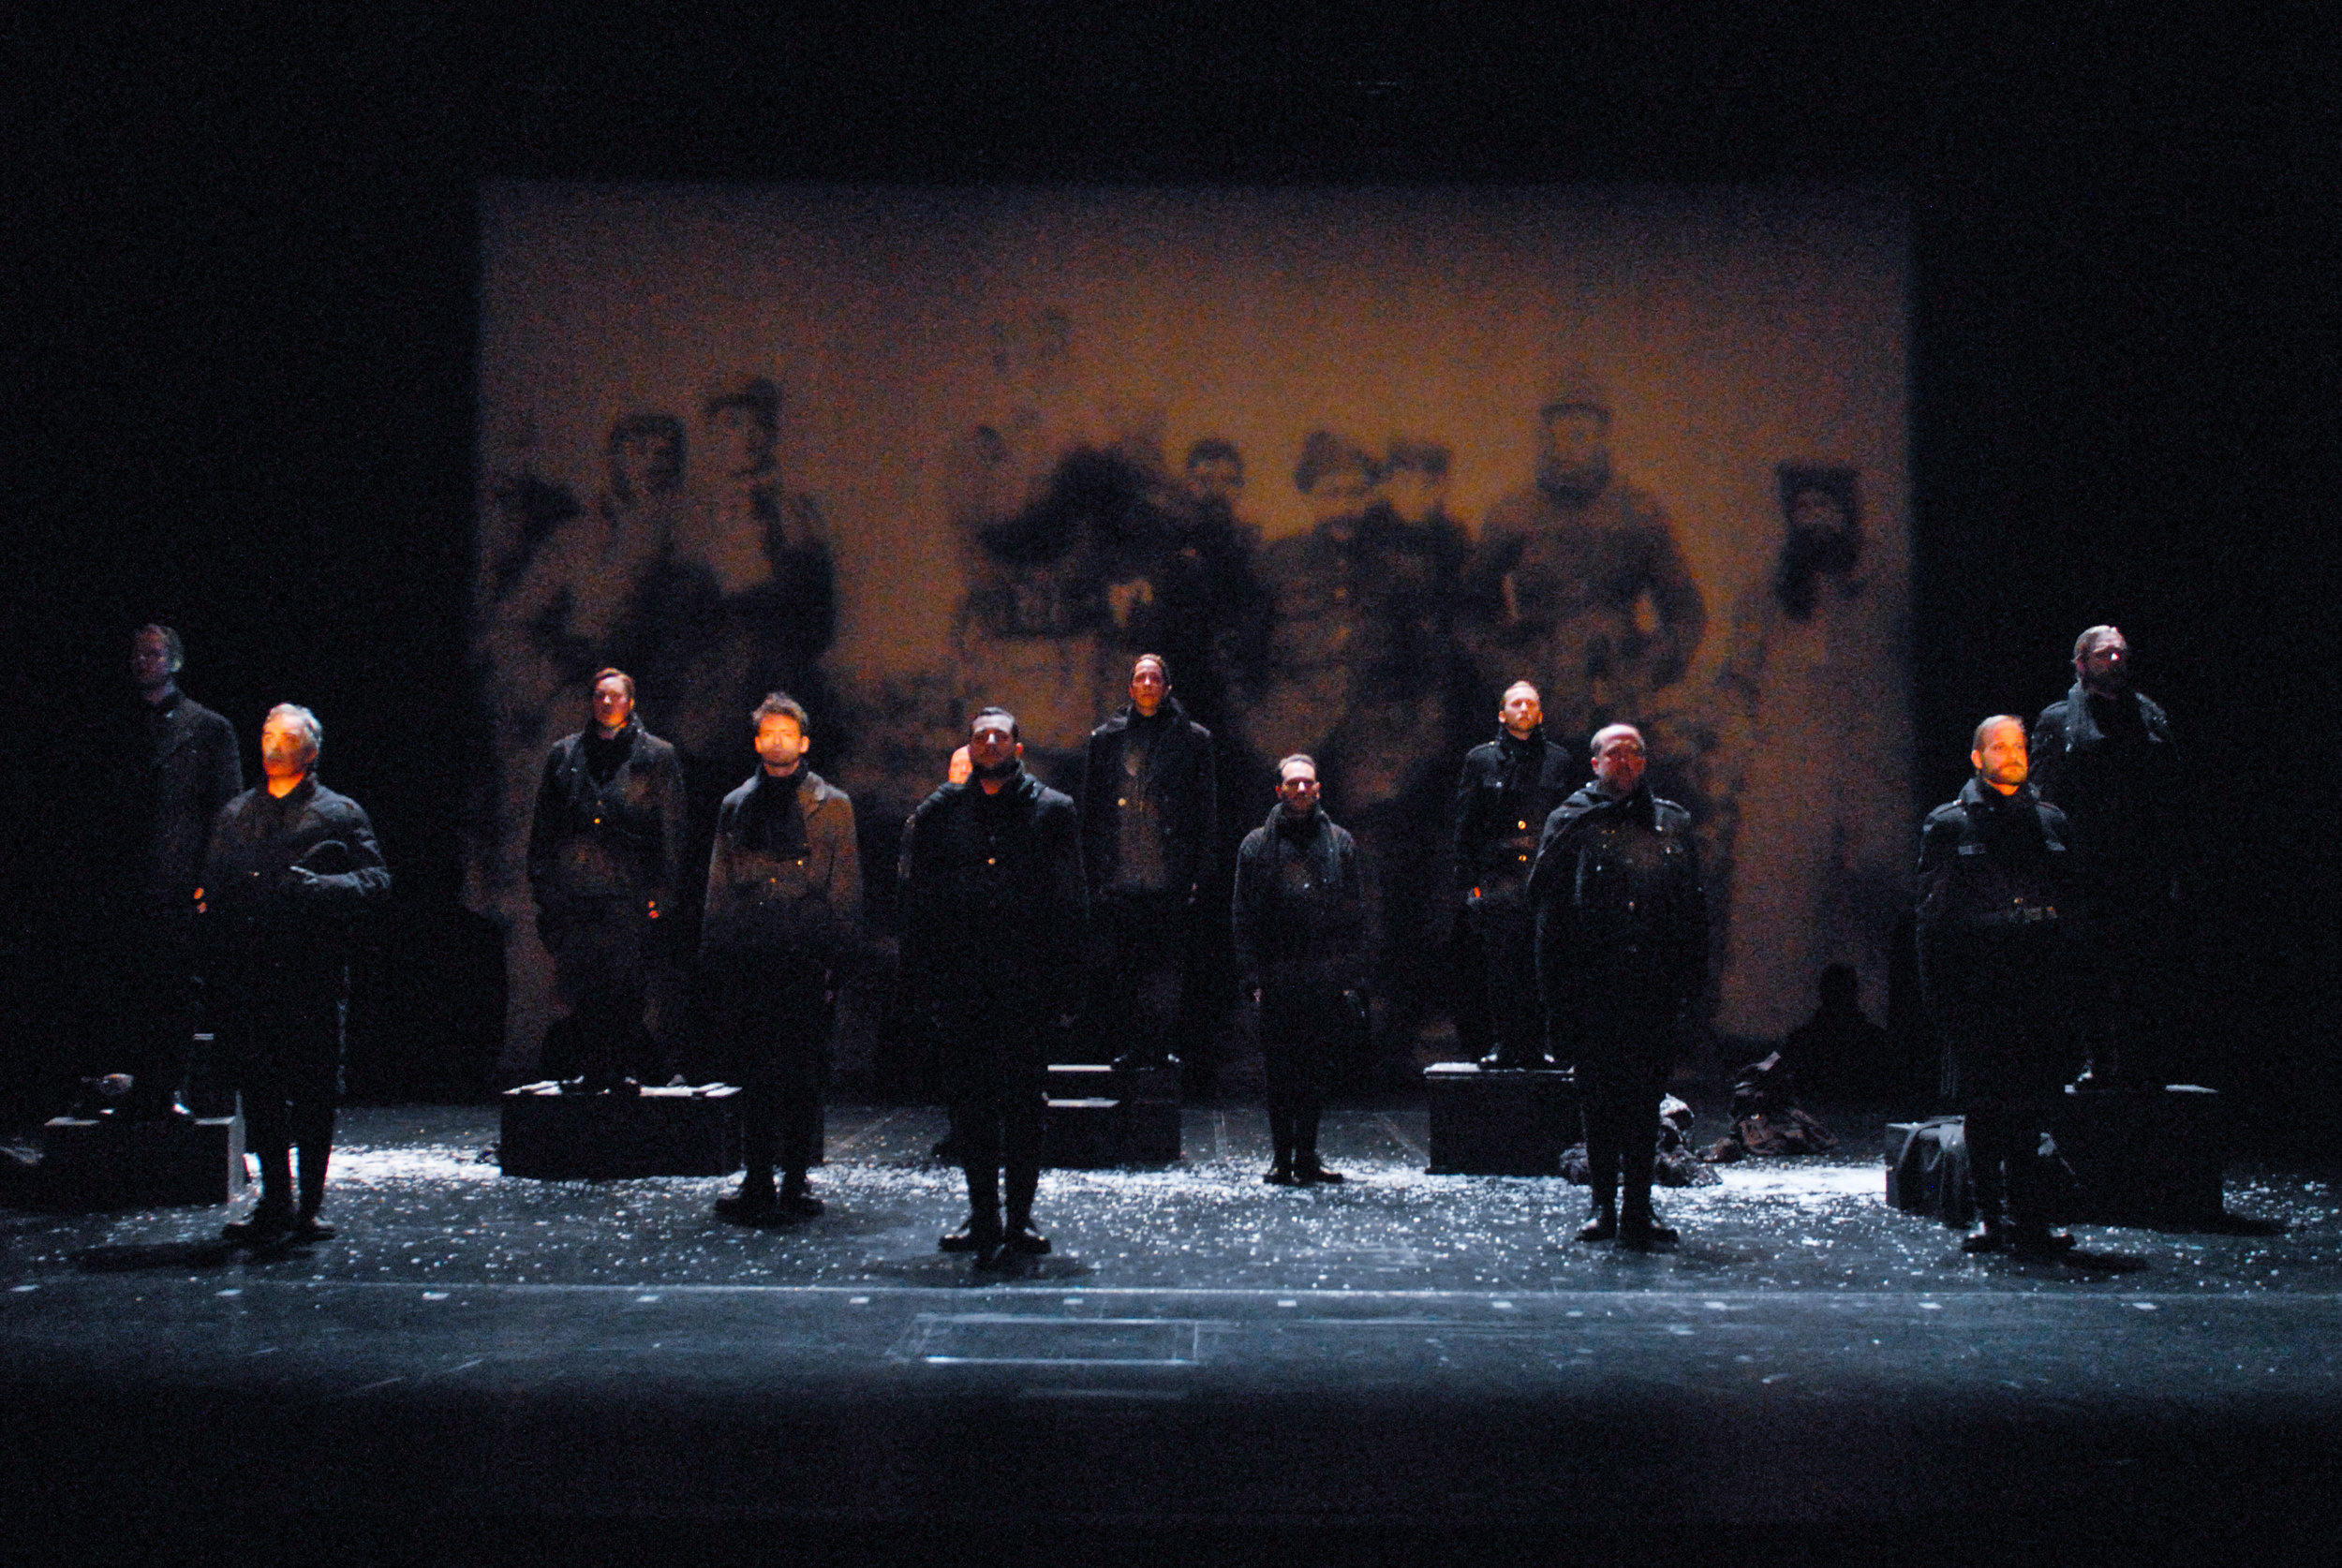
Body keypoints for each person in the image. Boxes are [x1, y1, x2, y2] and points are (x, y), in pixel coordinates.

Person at [901, 708, 1088, 1268]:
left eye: (999, 737)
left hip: (1026, 984)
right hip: (963, 982)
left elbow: (1070, 903)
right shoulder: (943, 813)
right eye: (980, 736)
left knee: (1024, 1106)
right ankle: (983, 1216)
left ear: (1018, 748)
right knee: (972, 1107)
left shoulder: (1051, 811)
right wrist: (922, 978)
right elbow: (920, 903)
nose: (988, 744)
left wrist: (1067, 984)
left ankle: (1019, 1217)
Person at [199, 704, 389, 1244]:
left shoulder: (339, 813)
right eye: (267, 735)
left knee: (312, 1090)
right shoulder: (237, 814)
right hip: (252, 974)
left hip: (313, 972)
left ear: (311, 750)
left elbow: (377, 881)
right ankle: (274, 1201)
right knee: (260, 1089)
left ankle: (308, 1205)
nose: (274, 745)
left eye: (286, 737)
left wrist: (321, 891)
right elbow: (212, 884)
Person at [1529, 723, 1708, 1249]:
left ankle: (1639, 1208)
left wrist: (1689, 986)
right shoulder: (1571, 822)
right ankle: (1603, 1205)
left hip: (1652, 987)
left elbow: (1692, 912)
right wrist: (1556, 1000)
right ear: (1595, 763)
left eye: (1635, 753)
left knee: (1644, 1100)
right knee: (1600, 1102)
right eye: (1615, 753)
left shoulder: (1671, 822)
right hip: (1593, 989)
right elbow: (1549, 917)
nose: (1625, 762)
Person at [1465, 368, 1705, 744]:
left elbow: (1686, 614)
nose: (1567, 447)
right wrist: (1512, 674)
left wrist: (1644, 672)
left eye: (1579, 434)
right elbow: (1470, 612)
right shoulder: (1514, 515)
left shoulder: (1638, 514)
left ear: (1601, 435)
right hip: (1537, 699)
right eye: (1555, 435)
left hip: (1619, 700)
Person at [1915, 716, 2079, 1258]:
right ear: (1977, 757)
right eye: (2000, 746)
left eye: (2019, 745)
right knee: (1986, 1111)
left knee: (2033, 1110)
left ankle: (2032, 1219)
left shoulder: (2052, 822)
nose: (2012, 754)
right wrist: (1943, 1004)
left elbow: (2074, 912)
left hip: (2041, 991)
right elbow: (1932, 925)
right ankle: (1990, 1217)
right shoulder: (1950, 826)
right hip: (1978, 995)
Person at [702, 693, 861, 1222]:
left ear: (804, 742)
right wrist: (717, 950)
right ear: (756, 742)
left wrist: (839, 956)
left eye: (786, 734)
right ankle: (757, 1177)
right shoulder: (736, 804)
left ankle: (796, 1178)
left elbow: (845, 886)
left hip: (805, 952)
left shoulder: (831, 805)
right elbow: (719, 885)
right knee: (755, 1071)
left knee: (801, 1071)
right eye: (768, 734)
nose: (777, 741)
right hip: (752, 952)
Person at [88, 625, 244, 1117]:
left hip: (178, 880)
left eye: (153, 653)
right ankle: (137, 1087)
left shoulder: (207, 728)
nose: (143, 661)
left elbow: (226, 811)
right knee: (131, 984)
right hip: (129, 880)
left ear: (173, 661)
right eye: (138, 653)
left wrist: (209, 880)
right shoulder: (118, 724)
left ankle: (167, 1087)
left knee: (175, 988)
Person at [2029, 625, 2185, 1084]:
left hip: (2141, 866)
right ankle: (2093, 1058)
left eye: (2121, 653)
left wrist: (2173, 862)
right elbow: (2045, 795)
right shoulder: (2060, 721)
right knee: (2087, 968)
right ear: (2081, 663)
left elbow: (2172, 794)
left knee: (2142, 967)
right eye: (2104, 655)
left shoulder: (2150, 716)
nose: (2115, 661)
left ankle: (2139, 1061)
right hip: (2084, 866)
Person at [526, 668, 687, 1090]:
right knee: (581, 984)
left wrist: (662, 895)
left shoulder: (656, 756)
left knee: (626, 986)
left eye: (615, 696)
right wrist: (545, 890)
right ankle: (591, 1070)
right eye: (600, 696)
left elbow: (671, 830)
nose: (607, 703)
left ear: (630, 702)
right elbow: (545, 828)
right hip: (577, 894)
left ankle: (621, 1070)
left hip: (628, 894)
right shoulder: (565, 755)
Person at [1233, 754, 1366, 1186]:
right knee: (1279, 1069)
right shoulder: (1256, 844)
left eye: (1308, 783)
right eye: (1294, 784)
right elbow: (1244, 914)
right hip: (1277, 971)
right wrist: (1252, 974)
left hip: (1322, 970)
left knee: (1313, 1067)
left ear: (1319, 788)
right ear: (1280, 790)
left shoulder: (1340, 842)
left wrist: (1348, 973)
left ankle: (1306, 1153)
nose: (1302, 790)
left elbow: (1353, 912)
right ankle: (1280, 1156)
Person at [1080, 654, 1217, 1072]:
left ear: (1167, 687)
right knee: (1124, 964)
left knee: (1166, 968)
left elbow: (1204, 810)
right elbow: (1093, 810)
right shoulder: (1106, 739)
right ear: (1130, 686)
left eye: (1154, 678)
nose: (1146, 684)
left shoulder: (1192, 739)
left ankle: (1159, 1045)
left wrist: (1198, 872)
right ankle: (1130, 1045)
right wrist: (1095, 871)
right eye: (1140, 677)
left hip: (1166, 868)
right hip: (1121, 867)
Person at [1452, 681, 1579, 1070]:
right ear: (1502, 713)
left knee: (1544, 966)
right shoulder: (1481, 761)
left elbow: (1572, 825)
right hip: (1498, 879)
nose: (1523, 709)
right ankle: (1507, 1043)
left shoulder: (1559, 761)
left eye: (1531, 704)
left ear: (1540, 713)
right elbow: (1466, 826)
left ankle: (1540, 1044)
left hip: (1545, 879)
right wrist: (1471, 885)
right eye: (1516, 703)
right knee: (1503, 968)